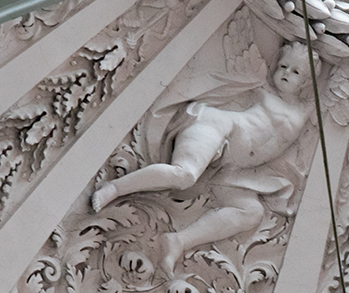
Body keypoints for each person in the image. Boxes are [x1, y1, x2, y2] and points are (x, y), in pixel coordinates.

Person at [92, 43, 319, 273]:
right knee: (184, 175)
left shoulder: (304, 111)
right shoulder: (263, 88)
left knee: (252, 212)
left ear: (306, 83)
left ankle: (178, 241)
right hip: (218, 129)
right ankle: (115, 188)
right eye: (283, 66)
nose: (286, 73)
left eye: (296, 71)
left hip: (234, 169)